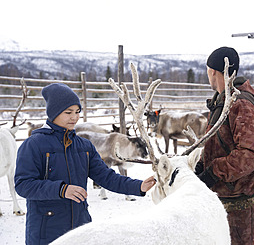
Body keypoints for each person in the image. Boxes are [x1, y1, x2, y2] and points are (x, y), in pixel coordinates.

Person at [14, 83, 156, 245]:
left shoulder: (83, 146)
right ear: (53, 113)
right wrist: (61, 190)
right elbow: (24, 185)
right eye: (68, 112)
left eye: (77, 112)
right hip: (46, 231)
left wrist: (138, 187)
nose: (74, 117)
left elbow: (106, 177)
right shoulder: (34, 145)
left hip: (81, 229)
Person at [197, 47, 254, 245]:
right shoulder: (225, 100)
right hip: (226, 198)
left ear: (213, 72)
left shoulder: (240, 104)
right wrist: (202, 165)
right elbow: (222, 141)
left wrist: (214, 171)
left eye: (208, 71)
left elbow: (252, 153)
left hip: (241, 203)